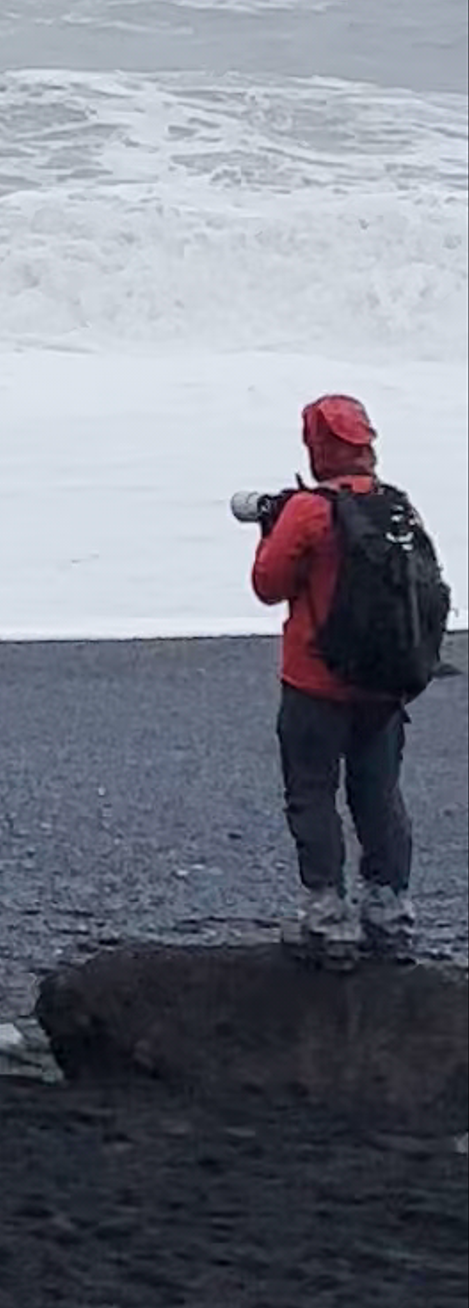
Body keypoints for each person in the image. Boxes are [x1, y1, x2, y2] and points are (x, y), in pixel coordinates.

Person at [250, 390, 436, 967]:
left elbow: (268, 584)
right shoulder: (399, 506)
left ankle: (328, 916)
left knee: (311, 792)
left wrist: (271, 526)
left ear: (317, 446)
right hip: (384, 685)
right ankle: (389, 911)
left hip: (315, 682)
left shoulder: (310, 511)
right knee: (379, 795)